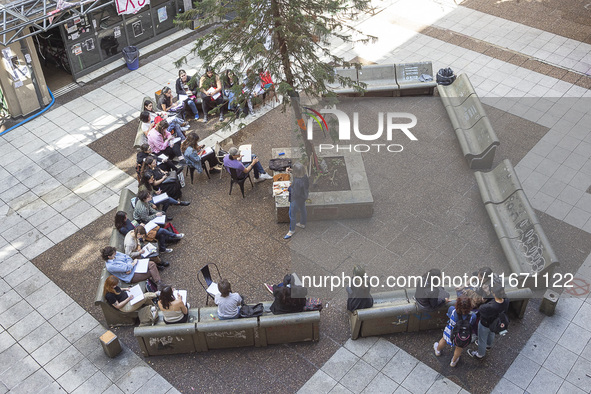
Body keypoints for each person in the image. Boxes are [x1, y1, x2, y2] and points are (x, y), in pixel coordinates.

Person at [467, 283, 509, 360]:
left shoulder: (488, 306)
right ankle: (488, 345)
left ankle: (480, 354)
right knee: (492, 333)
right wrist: (488, 294)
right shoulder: (506, 300)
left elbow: (481, 309)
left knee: (482, 339)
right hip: (496, 323)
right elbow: (496, 301)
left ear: (494, 293)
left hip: (485, 324)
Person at [434, 296, 476, 367]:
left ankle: (438, 351)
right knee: (459, 348)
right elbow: (472, 324)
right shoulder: (472, 316)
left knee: (444, 340)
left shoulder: (452, 310)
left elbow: (449, 315)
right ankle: (453, 362)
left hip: (451, 331)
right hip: (462, 335)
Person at [284, 162, 309, 239]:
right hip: (303, 197)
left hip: (296, 199)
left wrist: (289, 188)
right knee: (302, 209)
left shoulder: (298, 181)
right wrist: (290, 171)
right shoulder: (305, 176)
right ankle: (302, 223)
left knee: (292, 214)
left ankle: (292, 230)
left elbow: (295, 193)